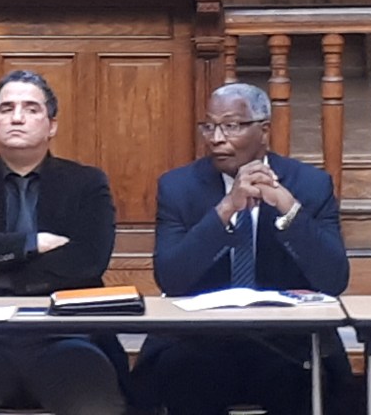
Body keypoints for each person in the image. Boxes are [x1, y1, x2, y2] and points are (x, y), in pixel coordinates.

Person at [133, 82, 351, 415]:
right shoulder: (178, 187)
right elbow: (171, 278)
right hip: (200, 340)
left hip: (286, 340)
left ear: (264, 130)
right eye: (210, 126)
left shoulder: (309, 184)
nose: (217, 138)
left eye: (231, 126)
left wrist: (289, 209)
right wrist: (225, 209)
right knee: (180, 373)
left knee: (308, 378)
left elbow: (334, 279)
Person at [0, 69, 127, 415]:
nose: (17, 117)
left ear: (52, 125)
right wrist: (33, 243)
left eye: (31, 109)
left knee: (97, 406)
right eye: (6, 109)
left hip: (68, 336)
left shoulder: (86, 183)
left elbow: (88, 260)